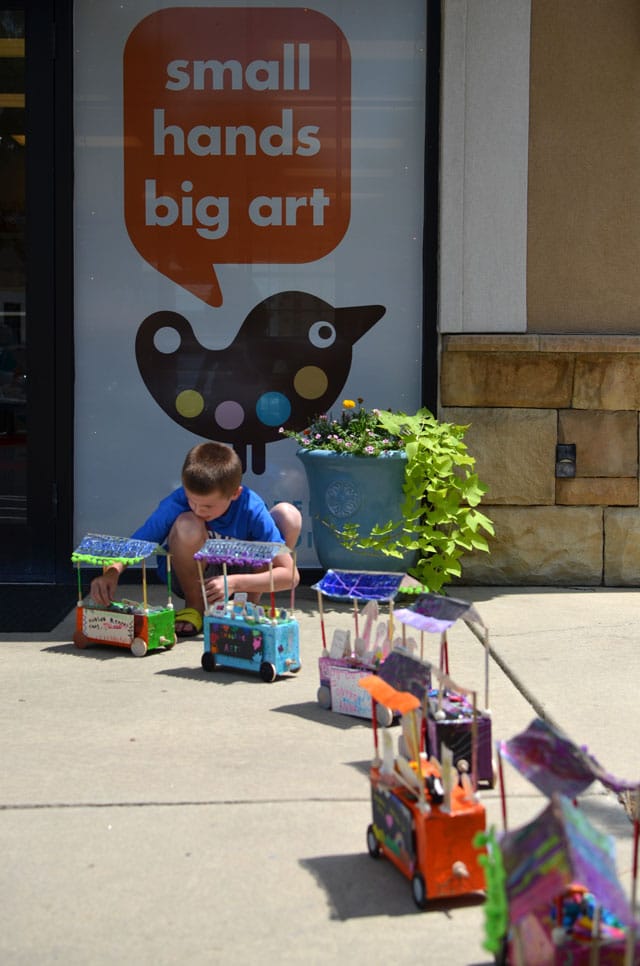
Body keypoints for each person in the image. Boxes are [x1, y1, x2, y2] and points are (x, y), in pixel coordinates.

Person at [90, 441, 301, 637]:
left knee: (288, 515)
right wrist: (112, 572)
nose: (199, 509)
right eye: (192, 501)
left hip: (238, 580)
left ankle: (248, 605)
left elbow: (290, 576)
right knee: (187, 523)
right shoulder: (178, 501)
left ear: (235, 494)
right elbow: (142, 541)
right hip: (193, 578)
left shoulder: (250, 507)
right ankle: (195, 608)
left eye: (208, 506)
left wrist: (235, 583)